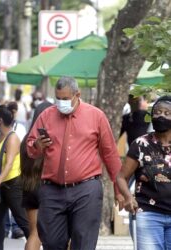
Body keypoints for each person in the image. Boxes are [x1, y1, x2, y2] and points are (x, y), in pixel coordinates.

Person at [26, 76, 123, 250]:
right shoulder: (46, 116)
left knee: (83, 242)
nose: (61, 103)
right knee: (51, 241)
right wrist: (37, 145)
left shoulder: (96, 116)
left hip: (86, 190)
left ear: (77, 94)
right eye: (58, 98)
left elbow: (110, 155)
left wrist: (119, 189)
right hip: (52, 189)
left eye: (65, 99)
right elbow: (30, 149)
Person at [117, 95, 171, 250]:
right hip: (149, 214)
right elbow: (121, 177)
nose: (161, 116)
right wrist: (127, 197)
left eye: (167, 113)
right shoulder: (141, 144)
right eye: (158, 112)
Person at [0, 104, 29, 250]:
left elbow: (9, 164)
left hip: (12, 186)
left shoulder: (12, 138)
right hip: (1, 186)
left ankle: (38, 245)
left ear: (0, 120)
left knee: (23, 222)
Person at [21, 100, 53, 250]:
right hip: (50, 189)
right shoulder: (50, 140)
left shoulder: (26, 140)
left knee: (34, 234)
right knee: (62, 234)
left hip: (29, 188)